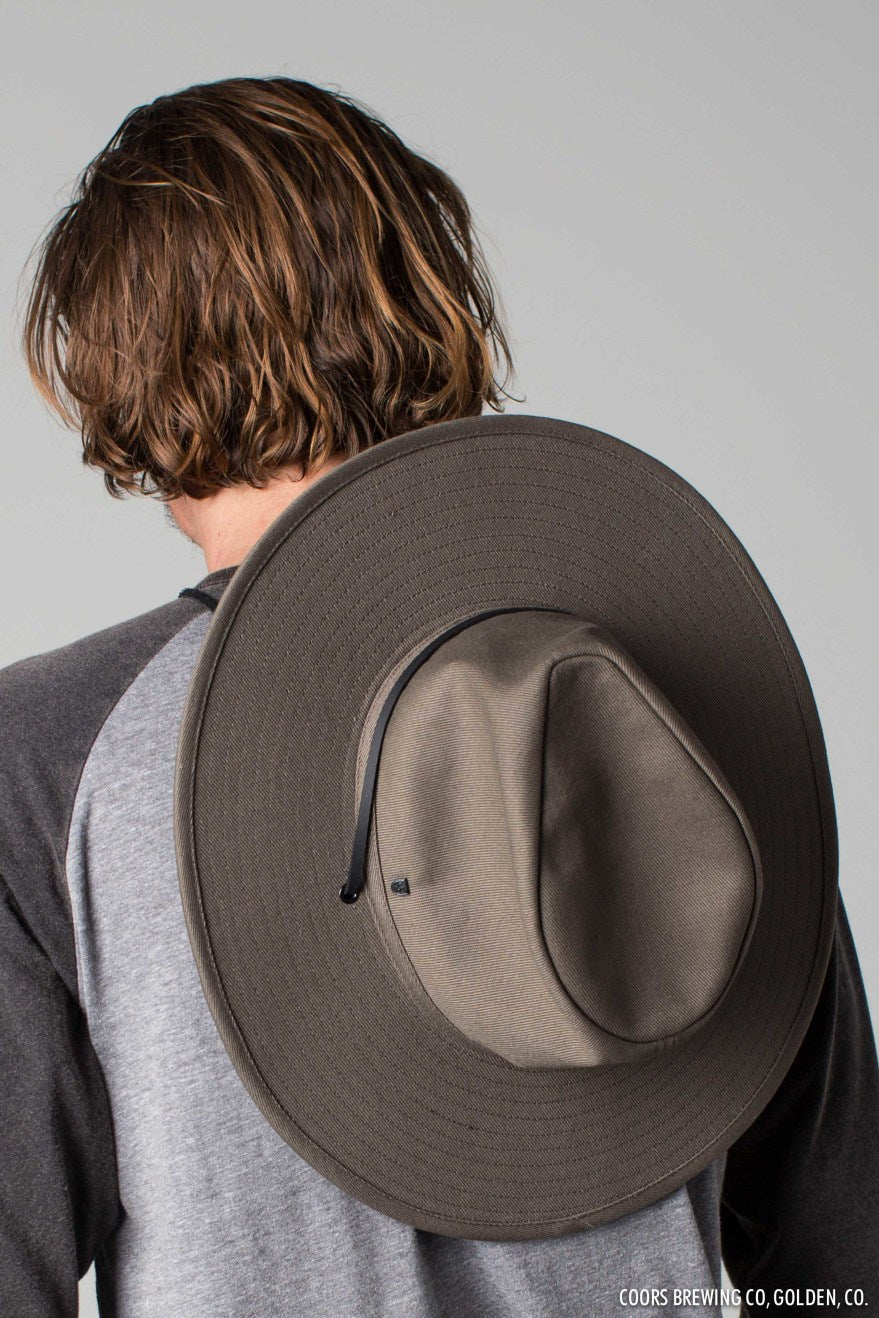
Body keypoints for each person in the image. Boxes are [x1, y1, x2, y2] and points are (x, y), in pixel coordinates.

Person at [2, 75, 876, 1318]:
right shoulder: (676, 684)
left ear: (121, 377)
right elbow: (843, 1259)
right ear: (429, 304)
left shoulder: (44, 762)